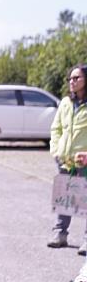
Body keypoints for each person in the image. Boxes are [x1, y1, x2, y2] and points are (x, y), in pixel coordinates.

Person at [49, 64, 87, 254]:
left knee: (85, 198)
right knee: (64, 198)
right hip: (65, 160)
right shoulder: (65, 103)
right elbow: (56, 129)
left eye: (76, 78)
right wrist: (56, 150)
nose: (72, 82)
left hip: (85, 161)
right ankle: (60, 234)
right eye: (70, 79)